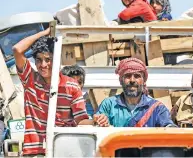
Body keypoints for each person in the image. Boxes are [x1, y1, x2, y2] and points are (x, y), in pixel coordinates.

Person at [12, 28, 108, 156]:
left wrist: (96, 121)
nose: (43, 64)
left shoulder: (71, 85)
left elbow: (80, 120)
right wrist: (45, 33)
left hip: (63, 149)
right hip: (35, 151)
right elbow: (17, 49)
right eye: (39, 60)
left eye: (48, 59)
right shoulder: (30, 79)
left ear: (56, 59)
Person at [97, 57, 176, 127]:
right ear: (121, 80)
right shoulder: (109, 105)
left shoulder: (157, 108)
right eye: (128, 76)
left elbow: (169, 128)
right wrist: (100, 121)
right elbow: (97, 125)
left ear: (144, 81)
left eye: (137, 76)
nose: (132, 80)